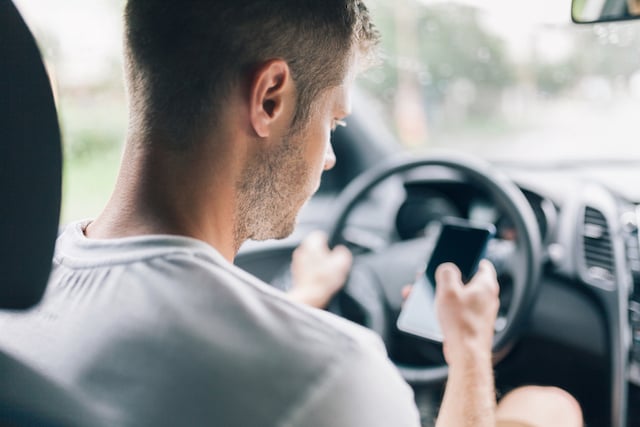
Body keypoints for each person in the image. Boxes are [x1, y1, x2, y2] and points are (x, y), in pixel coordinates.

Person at [0, 1, 582, 426]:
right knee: (547, 408)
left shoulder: (20, 298)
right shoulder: (333, 376)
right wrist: (471, 348)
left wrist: (302, 299)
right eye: (333, 122)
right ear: (270, 98)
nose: (329, 157)